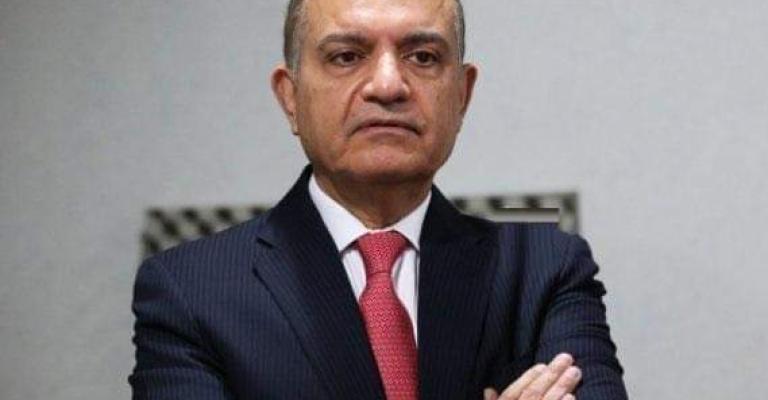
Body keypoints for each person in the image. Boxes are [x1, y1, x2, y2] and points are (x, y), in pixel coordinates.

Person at [129, 0, 628, 399]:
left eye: (423, 57)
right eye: (347, 56)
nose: (388, 85)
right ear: (290, 96)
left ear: (462, 95)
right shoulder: (191, 291)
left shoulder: (544, 270)